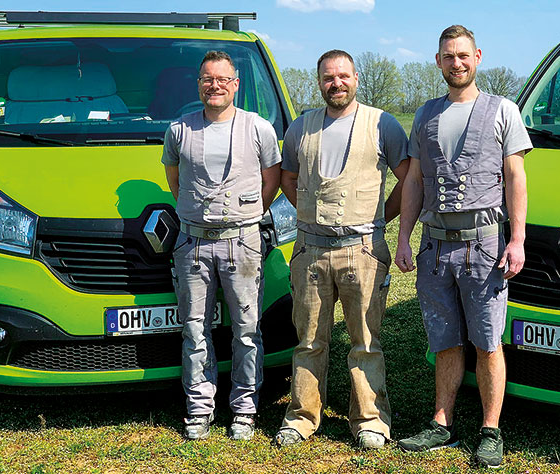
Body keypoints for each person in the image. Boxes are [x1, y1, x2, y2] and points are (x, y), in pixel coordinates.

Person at [394, 25, 531, 468]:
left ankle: (490, 430)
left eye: (464, 55)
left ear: (478, 57)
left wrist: (517, 240)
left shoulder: (502, 110)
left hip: (485, 245)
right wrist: (403, 238)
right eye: (449, 56)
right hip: (435, 246)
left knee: (488, 342)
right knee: (445, 339)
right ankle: (442, 423)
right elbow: (414, 181)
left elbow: (515, 178)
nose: (457, 63)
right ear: (438, 61)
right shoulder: (425, 115)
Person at [274, 49, 410, 450]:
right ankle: (301, 417)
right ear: (319, 82)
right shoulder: (301, 128)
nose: (337, 83)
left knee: (365, 341)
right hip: (311, 251)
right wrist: (309, 213)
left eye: (344, 76)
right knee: (309, 340)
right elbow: (288, 177)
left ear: (356, 79)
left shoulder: (382, 124)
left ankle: (370, 420)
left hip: (363, 250)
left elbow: (409, 178)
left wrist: (382, 215)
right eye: (329, 77)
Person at [162, 50, 282, 441]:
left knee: (247, 329)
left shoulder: (258, 128)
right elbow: (175, 180)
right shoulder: (179, 130)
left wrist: (243, 217)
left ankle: (244, 410)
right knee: (194, 329)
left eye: (222, 79)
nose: (215, 86)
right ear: (199, 83)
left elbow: (272, 181)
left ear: (236, 84)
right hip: (192, 243)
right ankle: (199, 408)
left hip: (242, 243)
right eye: (207, 79)